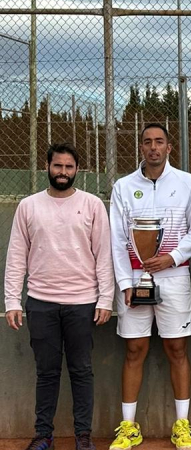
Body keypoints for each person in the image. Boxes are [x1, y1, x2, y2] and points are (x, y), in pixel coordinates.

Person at [4, 143, 114, 450]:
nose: (63, 172)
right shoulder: (29, 206)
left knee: (82, 371)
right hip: (40, 303)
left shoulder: (92, 204)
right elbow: (16, 256)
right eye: (57, 166)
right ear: (47, 167)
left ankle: (83, 436)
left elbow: (103, 253)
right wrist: (12, 300)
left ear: (77, 170)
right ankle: (43, 435)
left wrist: (106, 298)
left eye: (68, 167)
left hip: (82, 303)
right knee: (47, 372)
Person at [109, 123, 191, 450]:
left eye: (159, 142)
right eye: (147, 142)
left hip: (174, 277)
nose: (153, 147)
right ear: (141, 147)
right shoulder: (123, 186)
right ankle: (128, 427)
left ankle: (181, 425)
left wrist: (172, 258)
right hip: (135, 279)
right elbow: (117, 239)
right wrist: (124, 282)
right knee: (134, 350)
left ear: (169, 147)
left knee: (177, 349)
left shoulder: (188, 183)